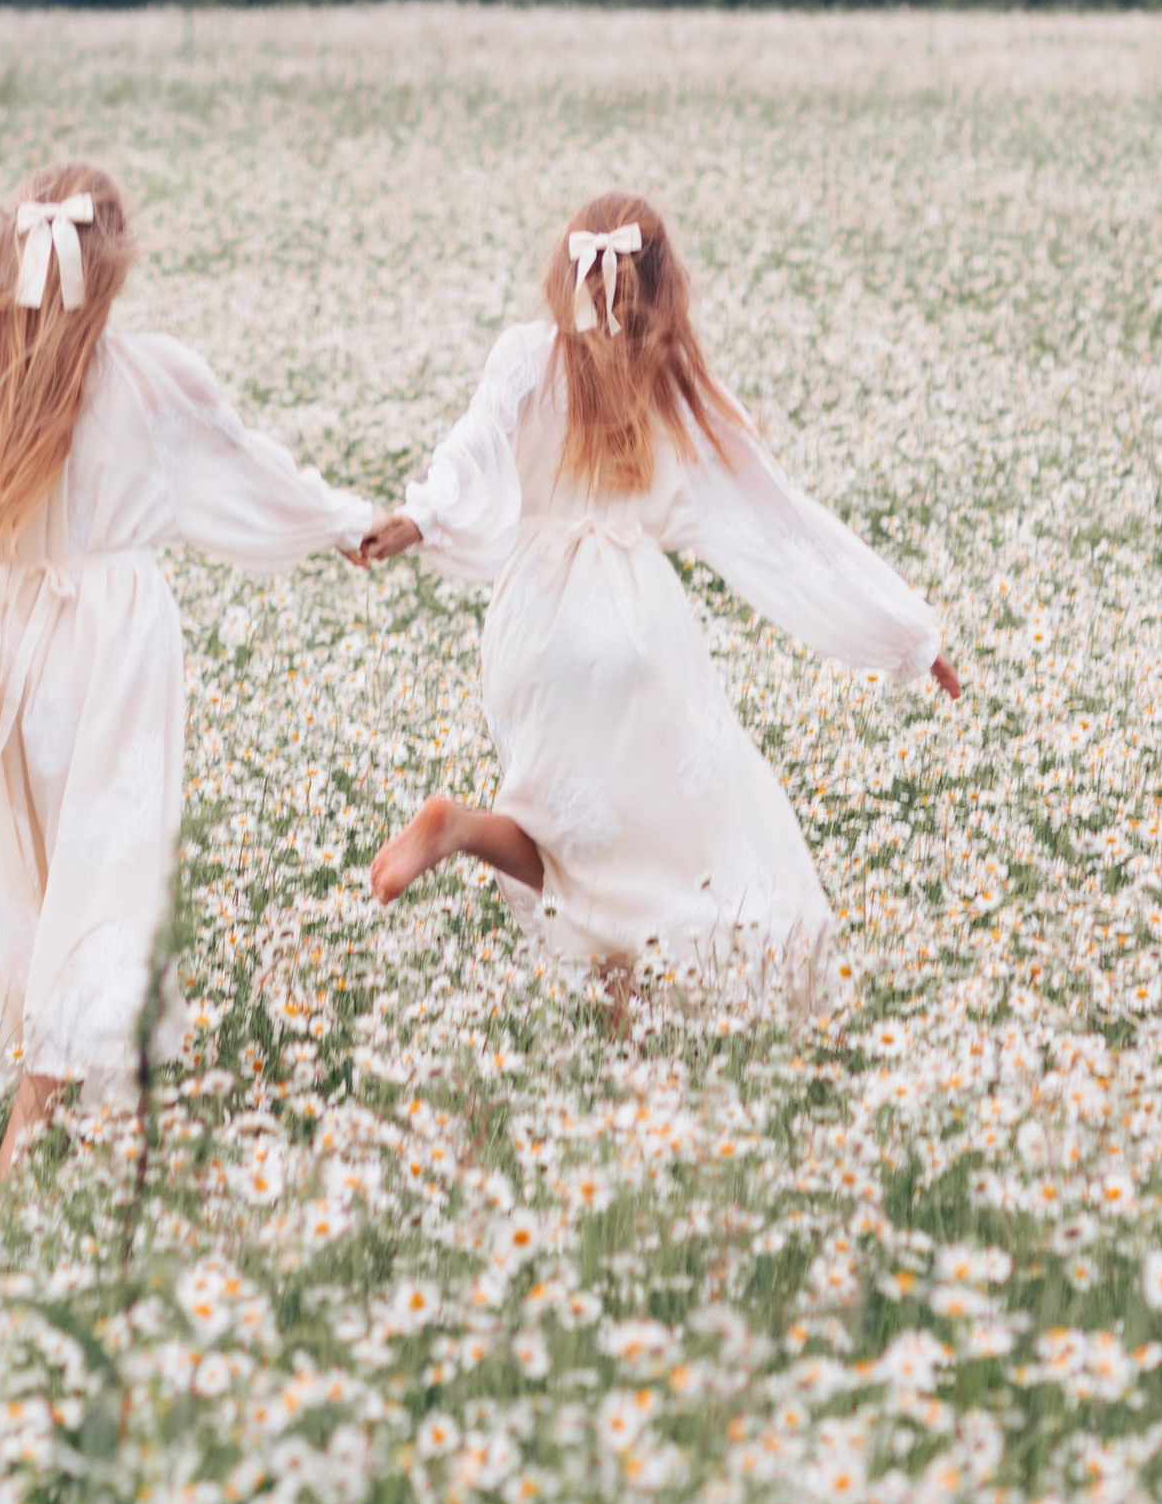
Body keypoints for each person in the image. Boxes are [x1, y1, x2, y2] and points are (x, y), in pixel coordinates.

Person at [0, 164, 371, 1171]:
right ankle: (35, 1128)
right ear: (110, 268)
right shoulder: (158, 376)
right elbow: (254, 476)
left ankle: (95, 1104)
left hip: (13, 655)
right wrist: (350, 525)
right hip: (116, 655)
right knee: (107, 881)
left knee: (43, 875)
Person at [361, 191, 960, 999]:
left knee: (569, 825)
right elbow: (786, 525)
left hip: (530, 623)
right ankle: (612, 983)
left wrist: (416, 518)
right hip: (632, 626)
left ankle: (469, 833)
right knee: (650, 841)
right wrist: (905, 636)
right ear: (664, 285)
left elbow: (474, 444)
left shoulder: (528, 357)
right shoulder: (677, 387)